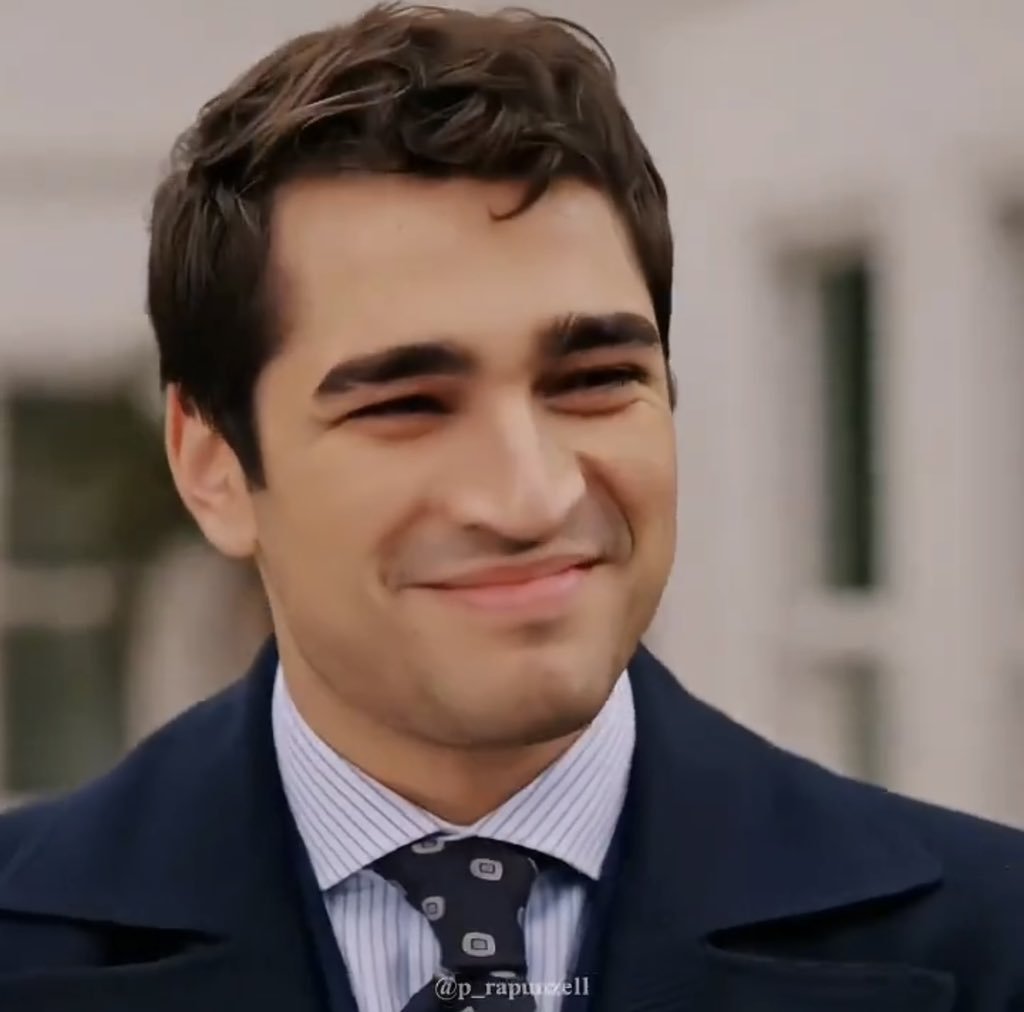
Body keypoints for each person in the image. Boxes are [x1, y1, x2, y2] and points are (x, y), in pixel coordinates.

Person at [0, 4, 1022, 1010]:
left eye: (593, 380)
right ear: (213, 464)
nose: (531, 496)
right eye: (407, 404)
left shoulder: (993, 938)